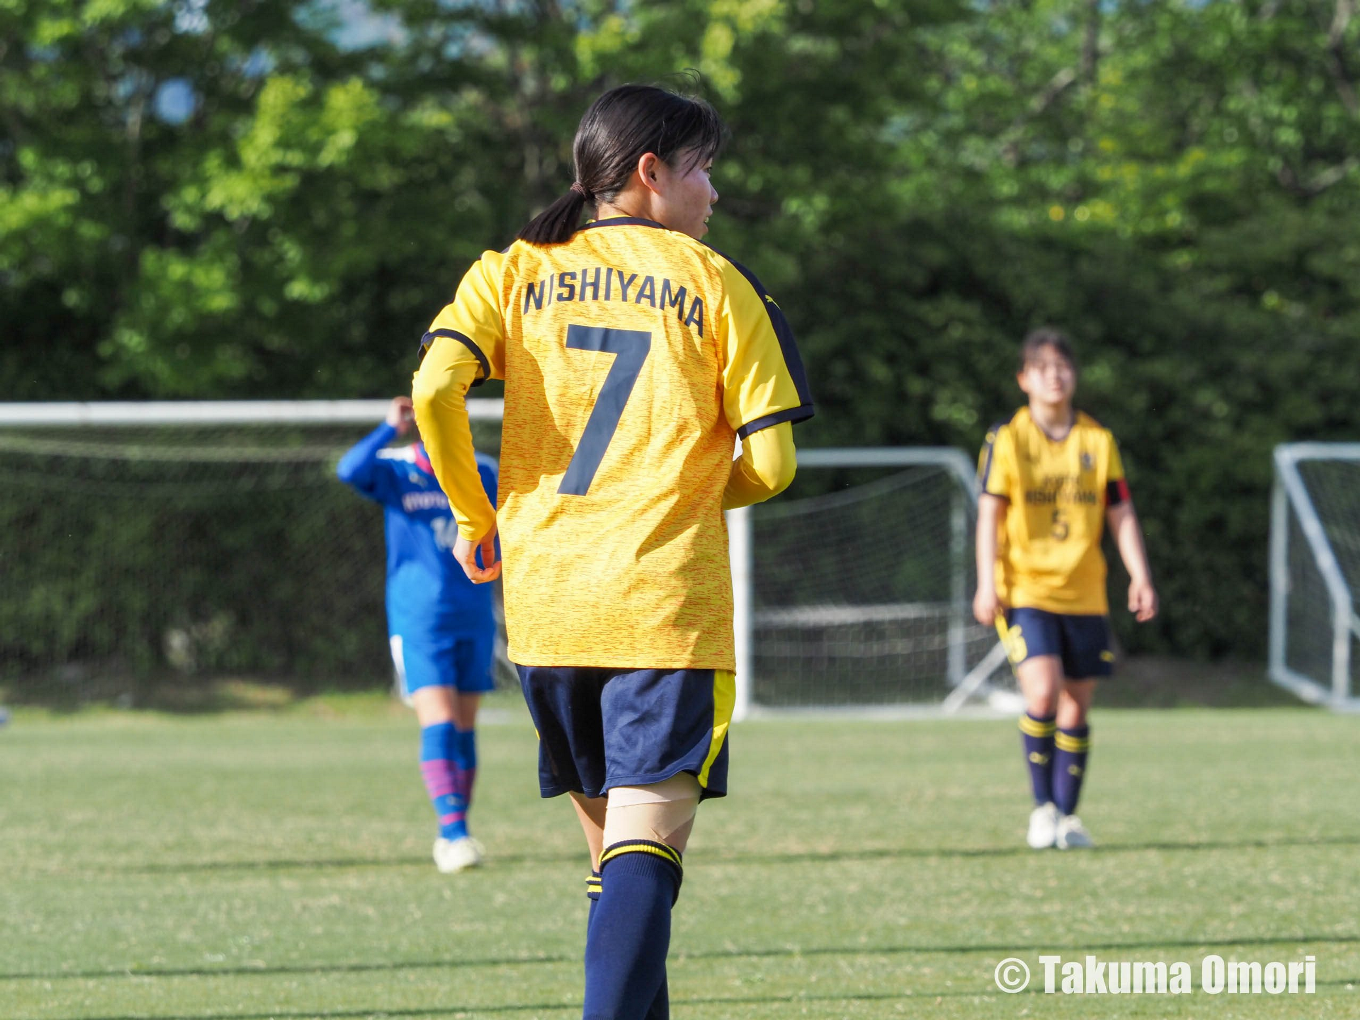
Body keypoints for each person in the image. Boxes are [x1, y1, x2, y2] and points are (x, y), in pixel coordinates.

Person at [410, 81, 813, 1020]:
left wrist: (475, 515)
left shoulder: (513, 268)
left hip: (549, 608)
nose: (714, 192)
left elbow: (434, 387)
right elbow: (775, 464)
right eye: (704, 169)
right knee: (644, 859)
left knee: (621, 868)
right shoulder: (719, 283)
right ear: (651, 172)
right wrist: (690, 497)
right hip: (663, 607)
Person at [973, 328, 1157, 850]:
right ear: (1024, 379)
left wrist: (1140, 574)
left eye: (1063, 367)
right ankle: (1042, 809)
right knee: (1043, 692)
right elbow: (990, 514)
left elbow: (1120, 511)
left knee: (1076, 706)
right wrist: (986, 582)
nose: (1054, 376)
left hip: (1085, 591)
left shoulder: (1097, 440)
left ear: (1074, 375)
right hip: (1025, 589)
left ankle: (1068, 818)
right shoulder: (1008, 438)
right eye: (1043, 368)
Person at [336, 395, 500, 874]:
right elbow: (348, 470)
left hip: (474, 614)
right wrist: (390, 428)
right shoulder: (397, 470)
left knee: (465, 728)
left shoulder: (482, 471)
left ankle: (458, 829)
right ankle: (452, 834)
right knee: (440, 722)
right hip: (419, 619)